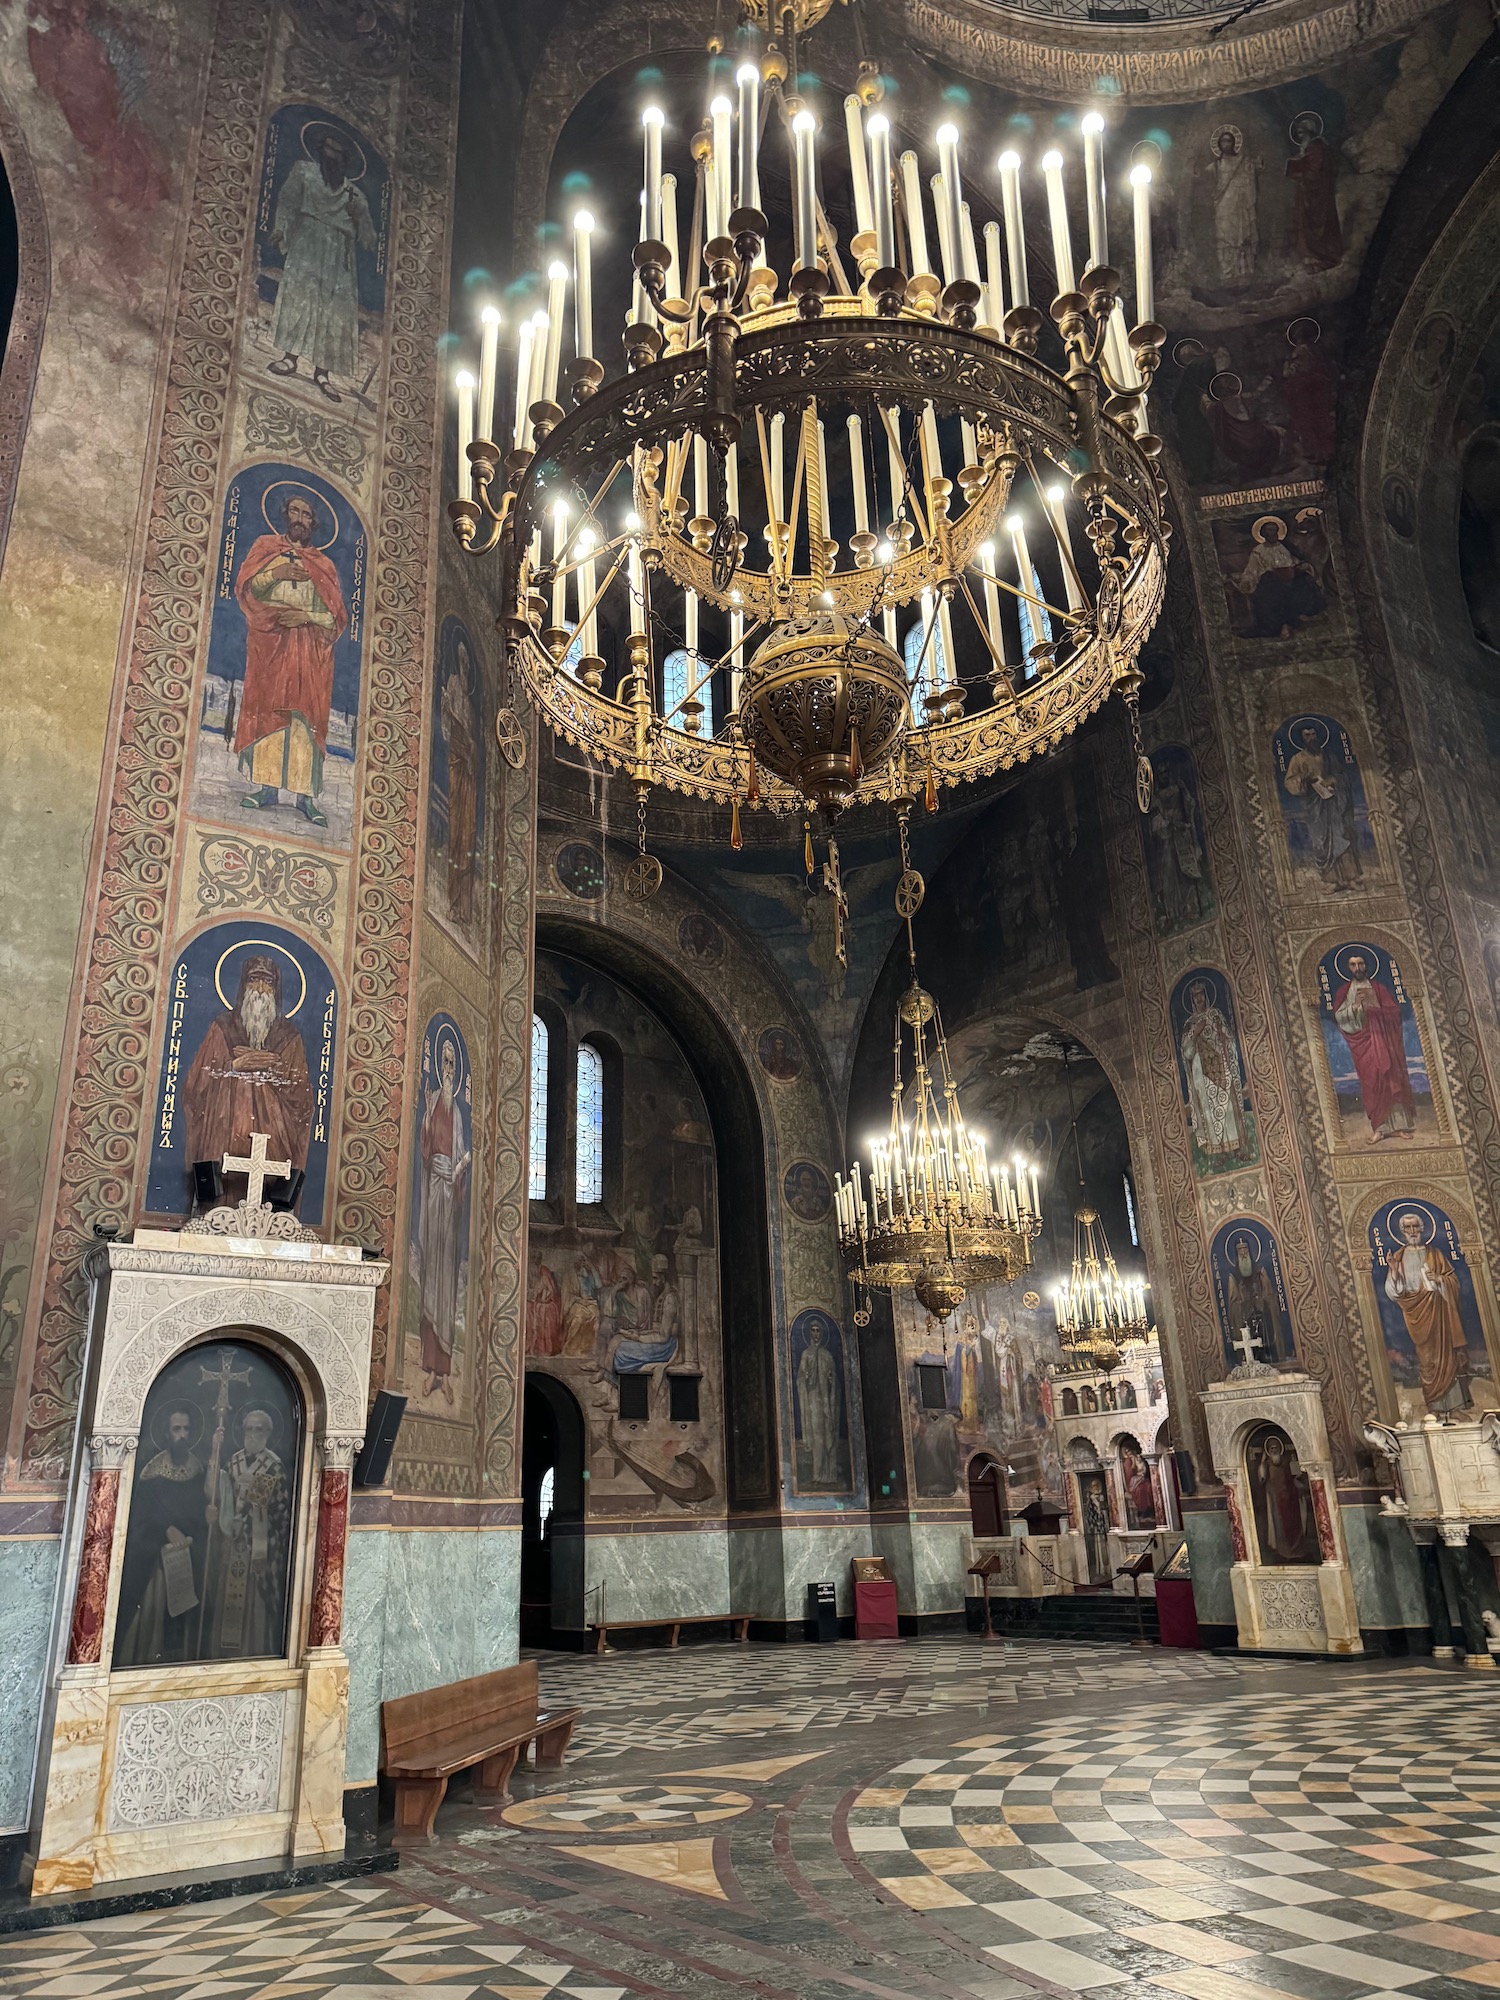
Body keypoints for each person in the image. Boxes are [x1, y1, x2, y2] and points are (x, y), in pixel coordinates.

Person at [232, 492, 348, 825]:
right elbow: (247, 591)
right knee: (269, 711)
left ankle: (305, 798)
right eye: (294, 511)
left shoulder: (323, 566)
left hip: (309, 652)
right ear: (285, 515)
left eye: (306, 514)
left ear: (314, 522)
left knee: (304, 718)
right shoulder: (266, 549)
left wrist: (307, 618)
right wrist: (277, 573)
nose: (299, 518)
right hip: (270, 646)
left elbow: (337, 618)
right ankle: (266, 789)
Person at [183, 954, 313, 1205]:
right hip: (224, 1138)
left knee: (267, 1201)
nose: (261, 989)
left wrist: (275, 1071)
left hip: (274, 1146)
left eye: (268, 982)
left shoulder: (288, 1037)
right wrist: (234, 1066)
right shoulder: (223, 1027)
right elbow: (195, 1086)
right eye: (255, 980)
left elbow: (302, 1099)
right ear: (244, 985)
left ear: (276, 989)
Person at [267, 128, 376, 399]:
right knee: (301, 298)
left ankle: (323, 373)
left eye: (337, 154)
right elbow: (288, 201)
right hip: (308, 243)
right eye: (327, 152)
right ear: (320, 153)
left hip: (339, 255)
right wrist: (281, 228)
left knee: (333, 312)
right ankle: (290, 358)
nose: (331, 158)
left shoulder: (355, 195)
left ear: (344, 160)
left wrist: (359, 216)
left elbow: (370, 240)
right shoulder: (304, 172)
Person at [115, 1403, 209, 1667]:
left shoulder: (197, 1470)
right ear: (167, 1433)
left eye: (187, 1429)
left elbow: (198, 1515)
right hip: (154, 1561)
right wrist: (166, 1528)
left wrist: (202, 1524)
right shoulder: (152, 1471)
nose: (183, 1434)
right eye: (176, 1428)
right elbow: (141, 1515)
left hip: (186, 1560)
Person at [210, 1408, 291, 1658]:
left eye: (259, 1429)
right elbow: (219, 1494)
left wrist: (254, 1512)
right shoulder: (232, 1462)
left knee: (254, 1601)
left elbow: (282, 1512)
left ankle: (254, 1652)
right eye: (249, 1429)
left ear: (267, 1433)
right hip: (232, 1544)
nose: (253, 1434)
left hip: (259, 1547)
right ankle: (222, 1654)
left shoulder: (274, 1466)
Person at [416, 1037, 471, 1402]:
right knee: (432, 1270)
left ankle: (445, 1371)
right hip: (435, 1190)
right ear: (439, 1066)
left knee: (447, 1277)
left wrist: (461, 1168)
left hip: (451, 1197)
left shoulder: (461, 1115)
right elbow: (424, 1147)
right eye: (445, 1063)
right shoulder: (433, 1102)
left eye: (453, 1064)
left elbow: (462, 1154)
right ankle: (430, 1365)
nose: (449, 1070)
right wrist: (440, 1169)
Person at [1384, 1211, 1471, 1413]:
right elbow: (1393, 1292)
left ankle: (1456, 1408)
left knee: (1447, 1358)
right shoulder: (1398, 1257)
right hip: (1417, 1316)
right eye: (1408, 1228)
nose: (1412, 1231)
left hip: (1441, 1314)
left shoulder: (1436, 1254)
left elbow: (1454, 1282)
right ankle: (1434, 1408)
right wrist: (1395, 1272)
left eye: (1415, 1226)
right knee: (1428, 1360)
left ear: (1422, 1229)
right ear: (1402, 1231)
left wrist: (1440, 1280)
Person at [1332, 953, 1416, 1140]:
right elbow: (1340, 1018)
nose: (1358, 968)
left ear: (1366, 965)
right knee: (1372, 1083)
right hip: (1364, 1046)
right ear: (1349, 968)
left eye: (1360, 963)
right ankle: (1380, 1128)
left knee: (1390, 1080)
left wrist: (1375, 1009)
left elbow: (1394, 1012)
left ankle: (1398, 1127)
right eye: (1353, 964)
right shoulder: (1344, 992)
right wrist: (1354, 1007)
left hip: (1384, 1042)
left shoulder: (1379, 988)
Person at [1281, 722, 1361, 890]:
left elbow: (1341, 775)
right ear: (1302, 739)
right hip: (1315, 806)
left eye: (1313, 735)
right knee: (1321, 841)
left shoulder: (1329, 756)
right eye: (1307, 735)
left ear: (1318, 736)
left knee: (1341, 836)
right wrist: (1304, 780)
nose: (1311, 738)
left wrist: (1332, 780)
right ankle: (1332, 881)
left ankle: (1351, 878)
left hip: (1334, 803)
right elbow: (1289, 781)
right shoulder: (1297, 759)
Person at [1179, 979, 1246, 1165]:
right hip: (1202, 1071)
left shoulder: (1215, 1014)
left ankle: (1237, 1147)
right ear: (1192, 999)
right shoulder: (1190, 1023)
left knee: (1228, 1106)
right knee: (1209, 1109)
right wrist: (1195, 1032)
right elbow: (1186, 1051)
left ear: (1205, 996)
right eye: (1195, 996)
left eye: (1201, 994)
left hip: (1221, 1065)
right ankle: (1220, 1152)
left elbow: (1229, 1039)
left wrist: (1221, 1032)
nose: (1199, 998)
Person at [1231, 516, 1325, 639]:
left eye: (1275, 530)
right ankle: (1282, 626)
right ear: (1263, 534)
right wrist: (1246, 582)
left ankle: (1295, 620)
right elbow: (1252, 571)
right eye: (1269, 531)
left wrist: (1302, 566)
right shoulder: (1258, 551)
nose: (1273, 533)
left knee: (1305, 581)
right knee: (1272, 588)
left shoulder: (1286, 547)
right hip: (1271, 582)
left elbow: (1295, 562)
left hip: (1290, 578)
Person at [439, 659, 478, 926]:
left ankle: (462, 907)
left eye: (467, 662)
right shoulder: (452, 688)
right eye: (460, 659)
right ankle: (451, 902)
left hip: (468, 780)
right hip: (456, 771)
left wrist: (471, 748)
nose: (463, 665)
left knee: (466, 841)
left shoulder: (471, 710)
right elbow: (448, 729)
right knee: (456, 841)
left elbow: (472, 746)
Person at [1285, 113, 1342, 271]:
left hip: (1318, 194)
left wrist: (1303, 173)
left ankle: (1322, 255)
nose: (1299, 135)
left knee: (1318, 221)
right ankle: (1310, 255)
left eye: (1302, 133)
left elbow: (1315, 169)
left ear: (1310, 132)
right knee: (1305, 222)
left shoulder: (1317, 147)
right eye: (1298, 133)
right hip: (1306, 192)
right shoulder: (1308, 148)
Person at [1225, 1233, 1287, 1362]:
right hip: (1245, 1319)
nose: (1243, 1252)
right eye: (1239, 1249)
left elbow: (1270, 1294)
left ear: (1250, 1250)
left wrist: (1262, 1299)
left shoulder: (1260, 1271)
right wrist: (1242, 1304)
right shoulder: (1234, 1277)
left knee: (1265, 1335)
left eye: (1245, 1248)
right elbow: (1233, 1304)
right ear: (1236, 1253)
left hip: (1262, 1315)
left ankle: (1271, 1354)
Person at [1209, 127, 1260, 283]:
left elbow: (1252, 171)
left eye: (1229, 140)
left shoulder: (1243, 161)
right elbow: (1206, 182)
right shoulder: (1215, 165)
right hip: (1223, 205)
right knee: (1224, 237)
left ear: (1234, 142)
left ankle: (1244, 271)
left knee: (1242, 236)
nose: (1226, 143)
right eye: (1223, 140)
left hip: (1240, 204)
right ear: (1218, 144)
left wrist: (1257, 165)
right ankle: (1227, 272)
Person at [1256, 1433, 1314, 1561]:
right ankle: (1284, 1552)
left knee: (1295, 1524)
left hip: (1291, 1498)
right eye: (1271, 1449)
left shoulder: (1287, 1461)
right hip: (1276, 1501)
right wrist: (1262, 1462)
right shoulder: (1266, 1464)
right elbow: (1262, 1478)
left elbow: (1296, 1477)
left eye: (1276, 1448)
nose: (1274, 1451)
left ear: (1280, 1449)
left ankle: (1297, 1551)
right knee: (1280, 1527)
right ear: (1268, 1451)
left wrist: (1299, 1483)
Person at [797, 1318, 841, 1485]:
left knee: (828, 1434)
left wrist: (831, 1380)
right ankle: (817, 1475)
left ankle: (830, 1474)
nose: (816, 1333)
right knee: (817, 1438)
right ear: (809, 1332)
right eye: (813, 1330)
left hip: (826, 1403)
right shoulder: (806, 1355)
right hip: (812, 1401)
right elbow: (800, 1379)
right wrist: (805, 1377)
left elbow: (834, 1381)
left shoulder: (827, 1355)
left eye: (818, 1331)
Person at [526, 1258, 562, 1357]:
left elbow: (551, 1292)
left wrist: (542, 1299)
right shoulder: (533, 1278)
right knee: (531, 1310)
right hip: (537, 1303)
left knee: (541, 1310)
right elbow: (534, 1293)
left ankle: (544, 1349)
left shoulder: (544, 1276)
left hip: (547, 1304)